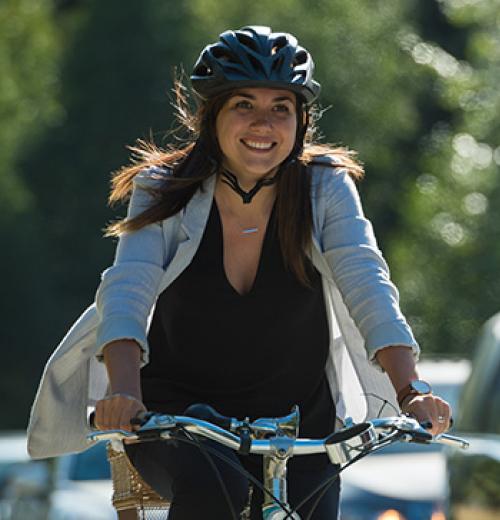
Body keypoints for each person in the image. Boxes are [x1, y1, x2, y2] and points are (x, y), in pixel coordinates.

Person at [28, 26, 451, 520]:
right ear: (212, 116)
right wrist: (123, 391)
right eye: (243, 105)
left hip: (300, 426)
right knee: (219, 485)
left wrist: (411, 389)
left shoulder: (325, 188)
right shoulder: (165, 189)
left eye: (281, 108)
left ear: (301, 120)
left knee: (312, 506)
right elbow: (127, 289)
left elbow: (367, 281)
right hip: (183, 422)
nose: (263, 123)